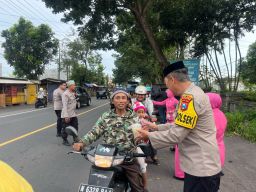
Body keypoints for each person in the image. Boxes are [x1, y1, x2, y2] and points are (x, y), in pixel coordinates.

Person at [138, 61, 221, 192]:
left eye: (167, 85)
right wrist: (155, 127)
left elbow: (176, 135)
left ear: (172, 79)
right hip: (202, 166)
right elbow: (180, 125)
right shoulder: (195, 92)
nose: (168, 90)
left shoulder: (190, 98)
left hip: (201, 168)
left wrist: (148, 135)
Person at [73, 90, 147, 192]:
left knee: (138, 188)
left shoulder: (134, 117)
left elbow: (140, 136)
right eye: (117, 98)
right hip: (106, 157)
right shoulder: (106, 116)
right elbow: (95, 132)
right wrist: (82, 143)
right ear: (112, 101)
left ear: (128, 101)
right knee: (95, 185)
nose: (121, 100)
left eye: (123, 98)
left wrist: (144, 137)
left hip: (127, 158)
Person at [207, 93, 227, 172]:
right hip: (219, 141)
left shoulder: (208, 115)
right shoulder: (221, 113)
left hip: (209, 143)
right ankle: (219, 169)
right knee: (220, 153)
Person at [61, 80, 78, 146]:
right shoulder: (65, 94)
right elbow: (64, 106)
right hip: (67, 115)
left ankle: (75, 140)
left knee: (75, 127)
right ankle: (64, 140)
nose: (75, 86)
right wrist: (66, 116)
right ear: (70, 86)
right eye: (74, 85)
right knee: (66, 128)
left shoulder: (73, 93)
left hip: (73, 114)